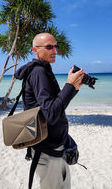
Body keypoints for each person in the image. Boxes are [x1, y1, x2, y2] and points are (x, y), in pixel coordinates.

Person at [15, 33, 85, 189]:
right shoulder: (39, 72)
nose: (54, 50)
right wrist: (69, 86)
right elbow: (51, 114)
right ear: (35, 50)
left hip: (53, 147)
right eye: (49, 47)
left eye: (55, 46)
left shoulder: (43, 70)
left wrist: (74, 88)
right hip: (47, 151)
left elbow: (55, 105)